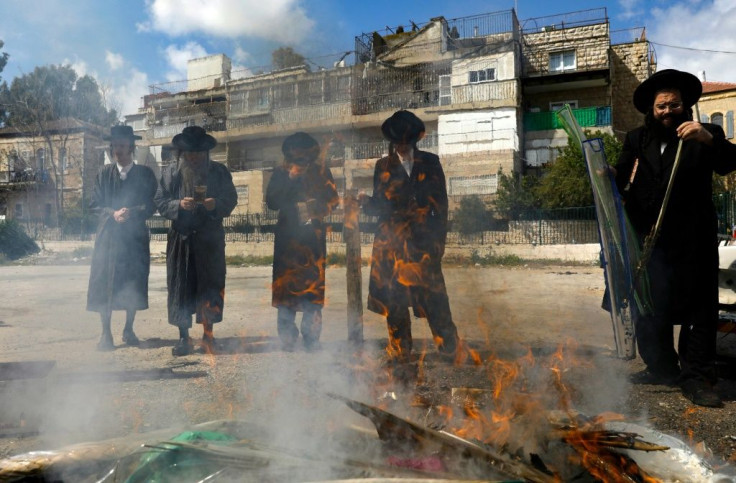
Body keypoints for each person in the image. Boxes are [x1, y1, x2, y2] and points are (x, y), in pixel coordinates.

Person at [616, 69, 736, 407]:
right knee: (650, 307)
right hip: (649, 240)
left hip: (692, 238)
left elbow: (729, 163)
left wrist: (709, 139)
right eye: (660, 107)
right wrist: (606, 172)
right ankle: (661, 368)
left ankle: (696, 376)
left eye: (673, 105)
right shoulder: (637, 139)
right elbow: (622, 175)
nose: (667, 112)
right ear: (651, 111)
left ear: (685, 106)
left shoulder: (706, 133)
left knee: (699, 309)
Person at [359, 110, 459, 362]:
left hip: (423, 243)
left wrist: (439, 244)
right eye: (397, 143)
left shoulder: (431, 162)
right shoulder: (382, 166)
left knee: (434, 297)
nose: (401, 148)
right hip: (391, 244)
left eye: (405, 143)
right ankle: (400, 348)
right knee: (395, 298)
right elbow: (380, 206)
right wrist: (365, 203)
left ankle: (449, 347)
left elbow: (442, 205)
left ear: (414, 141)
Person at [154, 126, 238, 356]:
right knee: (181, 287)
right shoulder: (171, 174)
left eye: (198, 152)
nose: (194, 157)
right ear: (182, 153)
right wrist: (177, 205)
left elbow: (231, 198)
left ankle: (208, 337)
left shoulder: (219, 172)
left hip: (209, 241)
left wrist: (215, 204)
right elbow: (160, 201)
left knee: (209, 287)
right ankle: (183, 339)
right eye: (189, 152)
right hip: (181, 241)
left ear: (206, 152)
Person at [266, 132, 339, 351]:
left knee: (313, 290)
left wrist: (318, 207)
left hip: (313, 242)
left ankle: (311, 338)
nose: (302, 157)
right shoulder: (280, 173)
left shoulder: (321, 171)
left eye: (306, 153)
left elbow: (333, 201)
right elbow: (271, 202)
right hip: (287, 241)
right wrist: (290, 179)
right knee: (285, 289)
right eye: (297, 153)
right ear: (290, 153)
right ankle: (288, 339)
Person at [87, 125, 157, 351]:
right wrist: (112, 213)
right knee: (104, 282)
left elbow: (152, 203)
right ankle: (106, 334)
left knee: (133, 282)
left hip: (134, 239)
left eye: (123, 144)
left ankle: (129, 328)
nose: (118, 149)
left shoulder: (144, 175)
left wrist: (133, 212)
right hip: (108, 239)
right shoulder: (103, 174)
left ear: (131, 146)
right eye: (115, 145)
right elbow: (94, 204)